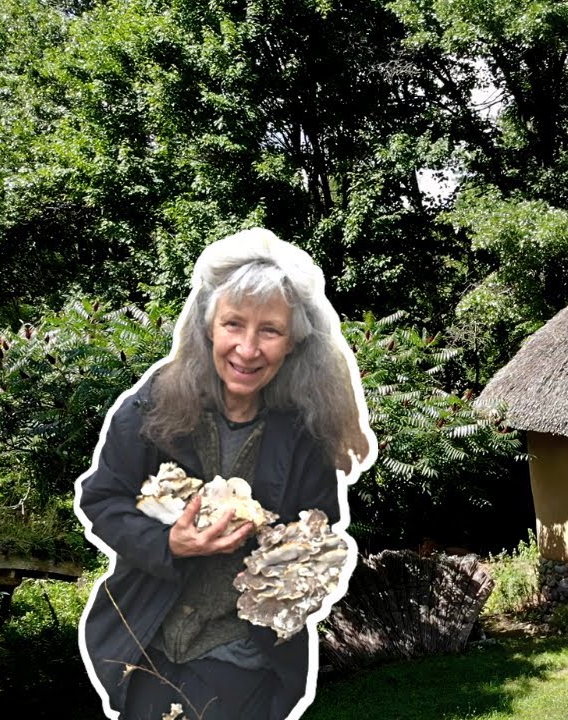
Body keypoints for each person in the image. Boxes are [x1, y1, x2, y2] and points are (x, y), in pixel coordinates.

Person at [75, 228, 374, 720]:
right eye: (234, 324)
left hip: (245, 654)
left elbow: (322, 530)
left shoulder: (305, 433)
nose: (248, 349)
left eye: (270, 331)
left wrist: (292, 558)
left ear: (294, 344)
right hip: (148, 641)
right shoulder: (153, 407)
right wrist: (169, 543)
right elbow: (102, 501)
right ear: (209, 328)